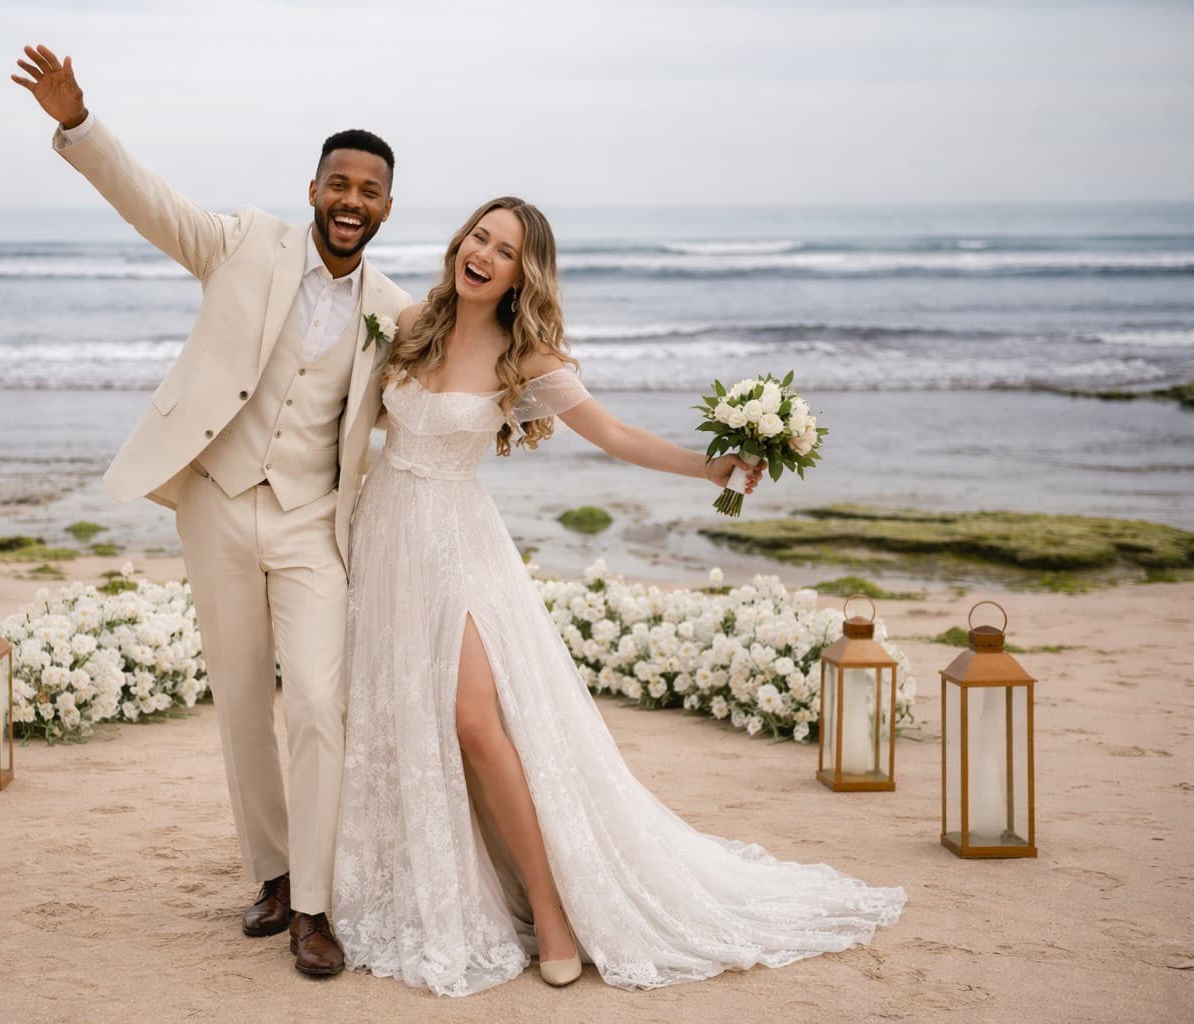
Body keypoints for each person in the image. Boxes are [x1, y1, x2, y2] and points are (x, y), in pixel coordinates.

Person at [330, 197, 906, 995]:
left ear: (520, 274)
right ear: (461, 243)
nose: (484, 254)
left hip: (457, 544)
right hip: (384, 536)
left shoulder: (524, 358)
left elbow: (615, 435)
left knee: (474, 722)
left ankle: (552, 908)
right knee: (403, 717)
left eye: (504, 250)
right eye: (479, 237)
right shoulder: (413, 321)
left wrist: (707, 467)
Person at [12, 44, 411, 977]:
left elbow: (455, 384)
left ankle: (315, 906)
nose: (353, 202)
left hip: (316, 524)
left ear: (389, 207)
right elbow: (151, 202)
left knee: (316, 701)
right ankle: (272, 876)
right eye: (340, 183)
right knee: (239, 704)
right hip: (219, 506)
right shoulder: (242, 243)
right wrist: (79, 122)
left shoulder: (396, 311)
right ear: (312, 187)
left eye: (372, 191)